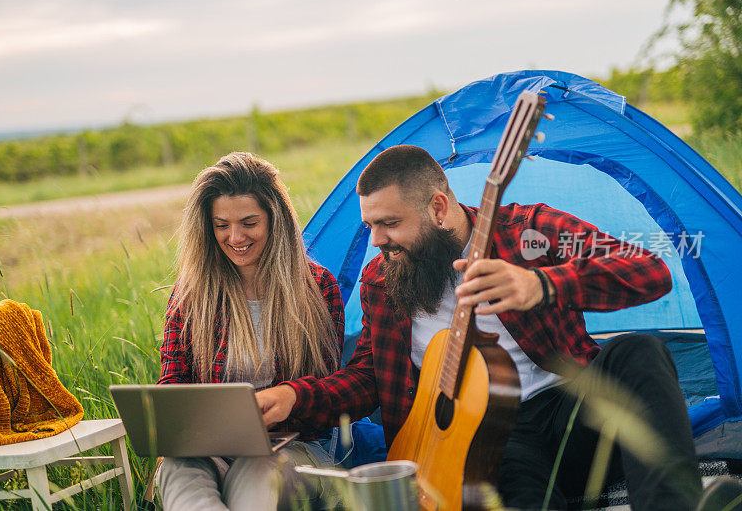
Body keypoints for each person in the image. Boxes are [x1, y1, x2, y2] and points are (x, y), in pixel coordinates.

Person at [256, 144, 707, 510]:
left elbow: (648, 270)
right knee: (505, 487)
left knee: (638, 352)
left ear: (438, 207)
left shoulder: (527, 232)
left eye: (389, 223)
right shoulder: (382, 279)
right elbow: (370, 375)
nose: (377, 241)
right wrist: (296, 396)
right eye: (370, 225)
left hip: (575, 413)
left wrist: (541, 283)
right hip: (488, 444)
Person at [157, 152, 344, 511]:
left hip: (294, 447)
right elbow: (173, 383)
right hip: (210, 448)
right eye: (221, 225)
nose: (235, 237)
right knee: (177, 470)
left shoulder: (317, 287)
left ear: (275, 220)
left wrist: (289, 400)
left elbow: (331, 393)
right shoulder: (191, 294)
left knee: (258, 473)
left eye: (248, 222)